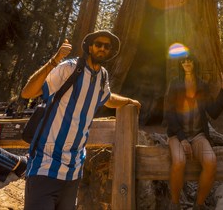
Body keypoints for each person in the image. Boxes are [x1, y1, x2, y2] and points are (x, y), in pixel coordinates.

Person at [21, 31, 141, 210]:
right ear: (90, 46)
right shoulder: (69, 68)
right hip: (45, 166)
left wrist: (130, 101)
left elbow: (107, 98)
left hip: (73, 171)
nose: (102, 48)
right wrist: (54, 60)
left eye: (107, 46)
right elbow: (28, 93)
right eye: (98, 44)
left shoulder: (103, 76)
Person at [165, 51, 223, 210]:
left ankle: (199, 205)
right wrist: (182, 138)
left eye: (190, 60)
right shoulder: (174, 84)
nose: (187, 63)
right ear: (181, 65)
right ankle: (175, 204)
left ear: (194, 64)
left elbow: (213, 112)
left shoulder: (202, 85)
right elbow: (169, 113)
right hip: (177, 135)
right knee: (179, 161)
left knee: (211, 162)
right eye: (183, 61)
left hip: (198, 135)